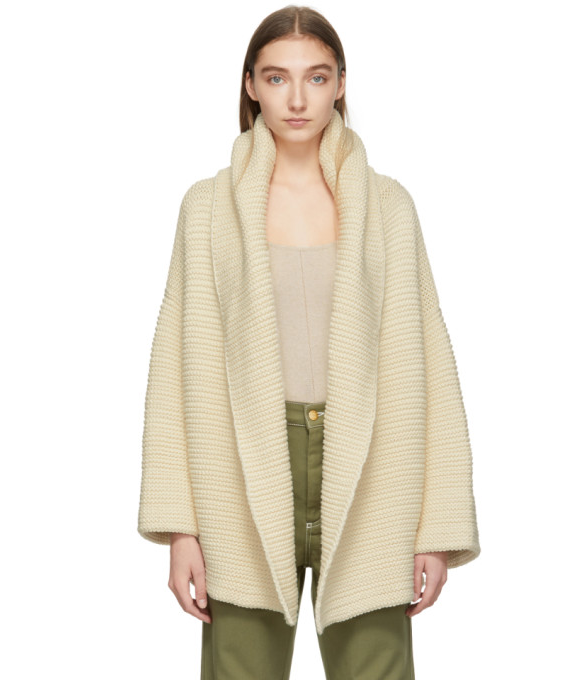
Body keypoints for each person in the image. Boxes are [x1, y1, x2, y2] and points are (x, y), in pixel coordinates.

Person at [137, 6, 480, 679]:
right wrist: (180, 528)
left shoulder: (388, 206)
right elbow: (175, 367)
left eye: (316, 77)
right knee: (240, 669)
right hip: (238, 469)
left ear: (341, 84)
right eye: (277, 78)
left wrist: (436, 529)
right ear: (250, 85)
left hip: (373, 465)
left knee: (377, 668)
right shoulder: (206, 208)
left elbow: (431, 366)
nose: (297, 99)